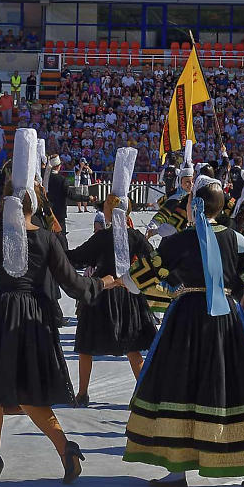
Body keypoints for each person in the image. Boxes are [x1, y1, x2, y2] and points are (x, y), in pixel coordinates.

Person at [125, 183, 244, 487]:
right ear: (222, 208)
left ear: (195, 207)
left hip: (185, 321)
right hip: (227, 321)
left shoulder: (178, 241)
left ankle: (176, 470)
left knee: (179, 387)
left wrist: (122, 279)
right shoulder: (236, 240)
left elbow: (136, 281)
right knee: (234, 386)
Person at [0, 183, 107, 483]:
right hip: (34, 317)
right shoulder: (47, 239)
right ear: (33, 207)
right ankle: (60, 450)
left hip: (2, 314)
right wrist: (102, 285)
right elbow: (74, 284)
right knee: (27, 391)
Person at [66, 149, 159, 405]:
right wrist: (136, 277)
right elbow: (154, 260)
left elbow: (77, 257)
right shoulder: (136, 236)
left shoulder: (102, 237)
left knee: (86, 347)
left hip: (101, 294)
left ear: (110, 212)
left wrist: (54, 246)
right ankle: (141, 394)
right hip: (129, 294)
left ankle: (82, 393)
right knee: (133, 349)